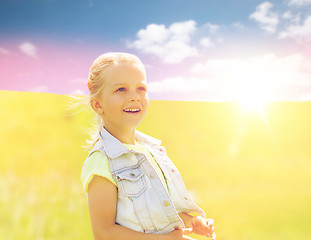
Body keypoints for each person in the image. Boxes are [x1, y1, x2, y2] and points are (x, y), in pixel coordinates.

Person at [80, 52, 216, 240]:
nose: (134, 97)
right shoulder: (101, 161)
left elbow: (160, 211)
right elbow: (104, 233)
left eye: (141, 88)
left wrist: (191, 222)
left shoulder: (152, 152)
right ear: (98, 105)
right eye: (121, 89)